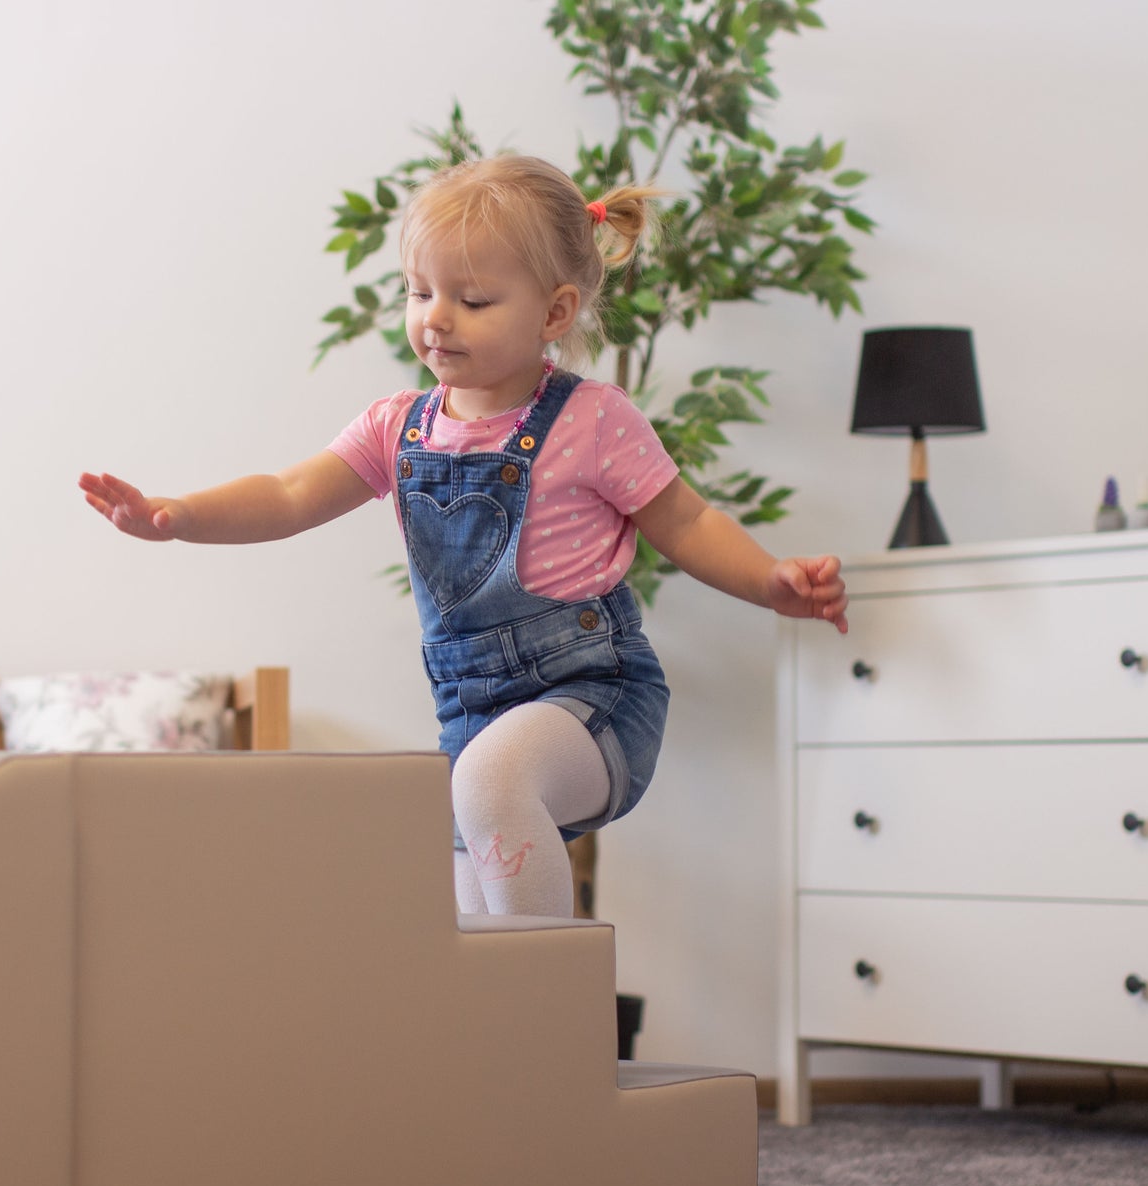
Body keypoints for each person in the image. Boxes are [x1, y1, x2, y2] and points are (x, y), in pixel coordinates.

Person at [80, 154, 848, 919]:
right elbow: (287, 494)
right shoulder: (397, 427)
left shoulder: (594, 420)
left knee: (489, 785)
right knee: (470, 916)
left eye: (472, 298)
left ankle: (543, 1017)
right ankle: (508, 1031)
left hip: (595, 698)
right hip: (471, 717)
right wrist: (178, 517)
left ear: (554, 313)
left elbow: (687, 520)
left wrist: (767, 578)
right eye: (420, 291)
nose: (435, 317)